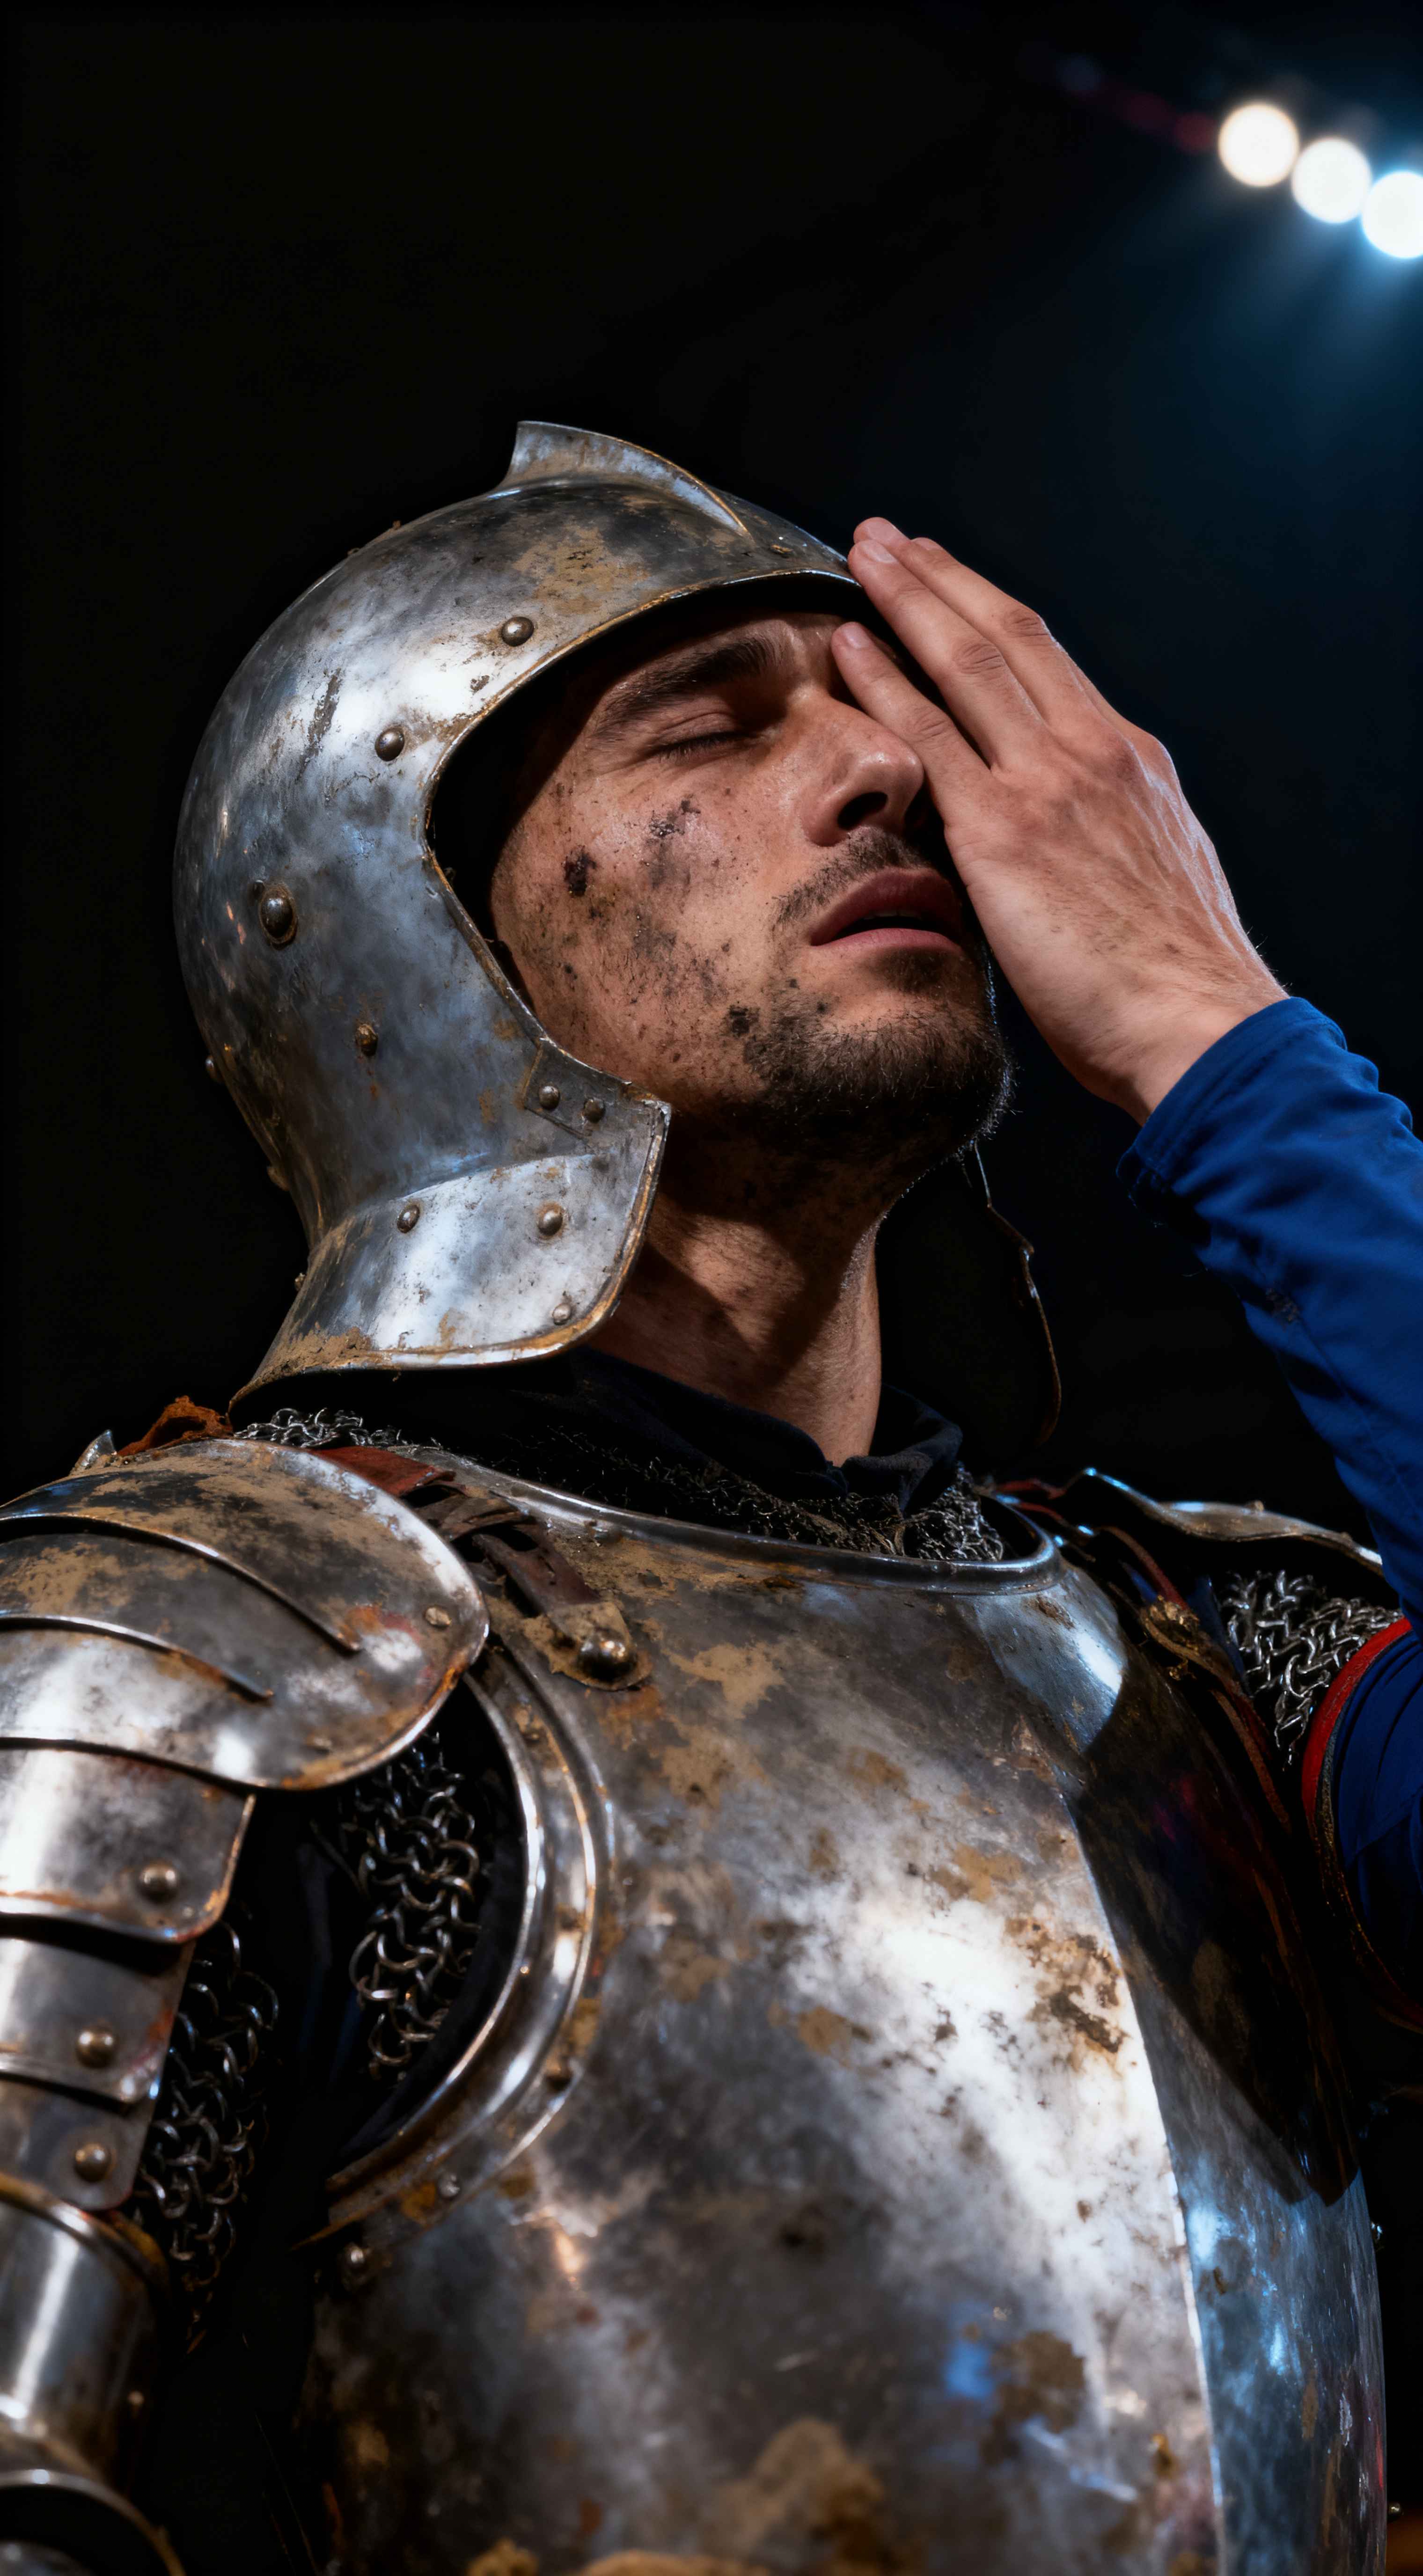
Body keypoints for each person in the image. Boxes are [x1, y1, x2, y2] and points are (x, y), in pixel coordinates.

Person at [0, 425, 1417, 2576]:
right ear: (415, 928)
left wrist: (1224, 1047)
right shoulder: (198, 1651)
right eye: (716, 724)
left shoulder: (1204, 1654)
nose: (895, 773)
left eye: (886, 708)